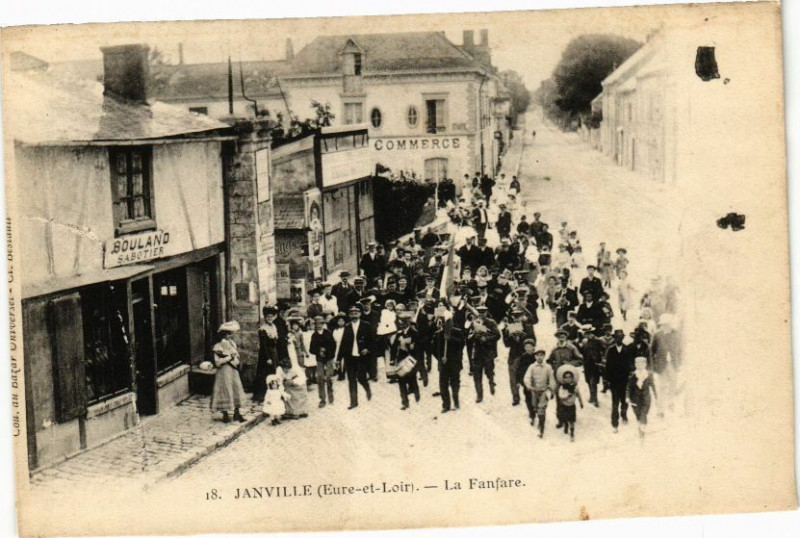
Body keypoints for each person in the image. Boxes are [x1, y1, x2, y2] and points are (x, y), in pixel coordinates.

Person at [437, 291, 469, 412]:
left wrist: (450, 338)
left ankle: (455, 400)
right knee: (443, 385)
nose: (446, 324)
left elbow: (461, 344)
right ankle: (446, 404)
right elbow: (436, 349)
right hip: (443, 363)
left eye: (448, 321)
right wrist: (441, 359)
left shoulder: (457, 332)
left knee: (455, 383)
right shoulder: (439, 334)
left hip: (455, 362)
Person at [210, 321, 248, 423]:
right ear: (222, 334)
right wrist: (228, 358)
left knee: (236, 388)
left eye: (230, 334)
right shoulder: (218, 347)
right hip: (223, 371)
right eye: (227, 334)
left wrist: (235, 360)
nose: (229, 336)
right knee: (225, 389)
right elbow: (217, 362)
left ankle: (237, 413)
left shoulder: (232, 344)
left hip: (233, 370)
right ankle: (225, 413)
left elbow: (236, 356)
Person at [337, 304, 373, 409]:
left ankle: (367, 388)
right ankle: (353, 402)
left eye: (356, 313)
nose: (354, 315)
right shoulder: (347, 327)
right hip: (349, 357)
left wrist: (367, 349)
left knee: (361, 378)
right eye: (352, 313)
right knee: (351, 380)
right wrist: (338, 359)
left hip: (361, 357)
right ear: (349, 315)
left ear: (360, 314)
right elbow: (343, 344)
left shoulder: (366, 325)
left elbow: (372, 341)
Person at [468, 305, 500, 403]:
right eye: (480, 312)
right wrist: (473, 335)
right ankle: (479, 395)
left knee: (489, 371)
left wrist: (486, 339)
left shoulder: (491, 323)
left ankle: (491, 382)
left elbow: (497, 335)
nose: (481, 314)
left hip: (488, 352)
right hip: (477, 352)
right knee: (477, 375)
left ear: (486, 312)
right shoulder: (474, 323)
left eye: (483, 312)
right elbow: (468, 336)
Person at [503, 308, 535, 406]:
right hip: (513, 355)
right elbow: (506, 344)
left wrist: (522, 338)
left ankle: (529, 397)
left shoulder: (528, 327)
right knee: (513, 379)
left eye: (519, 316)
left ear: (522, 316)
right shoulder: (509, 328)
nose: (517, 318)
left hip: (524, 356)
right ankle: (515, 397)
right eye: (515, 316)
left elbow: (533, 340)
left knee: (525, 377)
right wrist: (506, 333)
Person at [390, 311, 421, 410]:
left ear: (408, 322)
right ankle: (404, 402)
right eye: (401, 322)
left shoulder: (415, 333)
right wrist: (392, 359)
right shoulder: (399, 333)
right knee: (401, 381)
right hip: (401, 360)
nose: (402, 324)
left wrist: (414, 347)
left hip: (412, 360)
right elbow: (394, 347)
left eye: (404, 322)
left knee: (412, 380)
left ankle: (417, 396)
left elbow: (420, 347)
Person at [523, 348, 556, 438]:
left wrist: (552, 390)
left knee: (542, 409)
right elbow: (526, 377)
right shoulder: (532, 367)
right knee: (535, 407)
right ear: (535, 356)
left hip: (544, 391)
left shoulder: (548, 367)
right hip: (534, 391)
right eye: (538, 355)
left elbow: (552, 379)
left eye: (541, 355)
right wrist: (528, 386)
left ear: (544, 356)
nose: (539, 357)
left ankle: (541, 429)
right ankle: (537, 418)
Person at [604, 329, 633, 433]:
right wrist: (606, 380)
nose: (619, 339)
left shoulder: (627, 349)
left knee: (624, 401)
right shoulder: (610, 350)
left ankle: (624, 415)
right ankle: (614, 424)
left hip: (625, 381)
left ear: (623, 338)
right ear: (614, 338)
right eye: (617, 337)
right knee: (615, 403)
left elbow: (630, 364)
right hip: (614, 381)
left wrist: (630, 376)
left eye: (621, 337)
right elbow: (607, 366)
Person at [253, 306, 280, 403]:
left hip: (274, 352)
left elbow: (275, 341)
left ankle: (273, 393)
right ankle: (262, 395)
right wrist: (267, 358)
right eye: (268, 317)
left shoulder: (273, 327)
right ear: (265, 318)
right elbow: (263, 345)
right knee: (265, 374)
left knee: (273, 372)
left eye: (271, 317)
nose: (270, 319)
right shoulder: (263, 329)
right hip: (266, 354)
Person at [309, 315, 336, 408]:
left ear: (323, 324)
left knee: (329, 377)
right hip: (319, 359)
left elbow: (333, 346)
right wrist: (319, 351)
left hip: (328, 358)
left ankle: (330, 395)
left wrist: (327, 351)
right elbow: (311, 349)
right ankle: (322, 399)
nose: (319, 325)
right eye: (317, 324)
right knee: (320, 378)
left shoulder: (328, 333)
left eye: (321, 323)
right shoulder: (314, 335)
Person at [627, 356, 658, 437]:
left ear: (645, 364)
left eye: (642, 363)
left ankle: (642, 430)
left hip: (646, 399)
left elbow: (653, 386)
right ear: (635, 365)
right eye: (638, 363)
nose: (640, 365)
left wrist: (656, 397)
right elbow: (629, 387)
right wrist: (627, 397)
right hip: (635, 399)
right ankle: (640, 426)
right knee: (638, 415)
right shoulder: (633, 375)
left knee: (643, 414)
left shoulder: (649, 374)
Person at [555, 365, 584, 441]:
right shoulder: (562, 387)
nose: (568, 379)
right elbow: (560, 396)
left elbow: (578, 395)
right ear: (563, 378)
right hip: (564, 405)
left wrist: (581, 403)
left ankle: (572, 433)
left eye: (569, 377)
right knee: (565, 418)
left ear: (572, 378)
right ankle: (566, 425)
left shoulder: (575, 387)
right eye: (566, 377)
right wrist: (567, 395)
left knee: (571, 420)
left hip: (571, 405)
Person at [581, 327, 606, 407]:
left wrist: (601, 360)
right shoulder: (584, 342)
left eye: (589, 333)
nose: (587, 335)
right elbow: (583, 352)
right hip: (587, 364)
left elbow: (604, 351)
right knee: (588, 381)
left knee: (593, 382)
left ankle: (595, 399)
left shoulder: (599, 341)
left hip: (595, 364)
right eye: (586, 334)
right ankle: (592, 397)